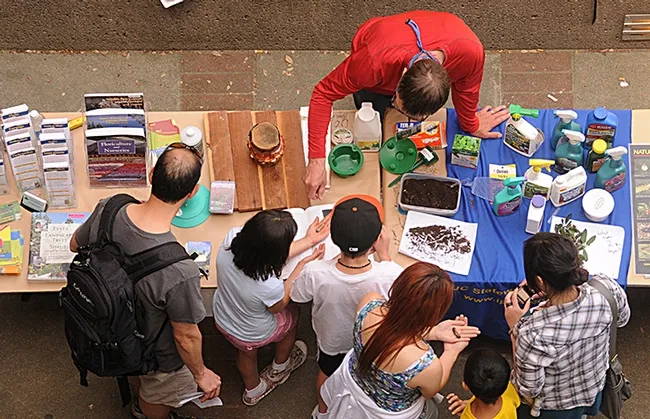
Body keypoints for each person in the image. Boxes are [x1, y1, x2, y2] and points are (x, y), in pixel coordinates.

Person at [70, 143, 221, 419]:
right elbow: (185, 336)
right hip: (153, 351)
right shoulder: (179, 270)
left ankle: (135, 386)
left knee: (133, 368)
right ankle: (145, 412)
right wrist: (201, 374)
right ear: (192, 193)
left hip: (109, 326)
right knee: (157, 394)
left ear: (151, 175)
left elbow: (74, 244)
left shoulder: (110, 208)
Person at [304, 11, 510, 199]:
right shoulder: (372, 63)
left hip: (425, 44)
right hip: (377, 47)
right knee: (371, 107)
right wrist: (316, 160)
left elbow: (467, 90)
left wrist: (471, 124)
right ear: (401, 76)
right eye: (398, 103)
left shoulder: (470, 53)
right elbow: (323, 94)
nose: (410, 120)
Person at [290, 195, 404, 418]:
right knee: (364, 374)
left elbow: (296, 295)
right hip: (370, 341)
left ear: (333, 238)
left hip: (332, 341)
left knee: (326, 372)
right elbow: (399, 295)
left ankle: (323, 411)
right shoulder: (390, 273)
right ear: (375, 242)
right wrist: (385, 255)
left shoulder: (316, 272)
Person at [320, 262, 481, 418]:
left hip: (352, 380)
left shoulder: (369, 303)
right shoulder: (424, 364)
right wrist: (451, 352)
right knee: (432, 412)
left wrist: (434, 332)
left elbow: (393, 327)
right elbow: (431, 391)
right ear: (434, 313)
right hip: (388, 412)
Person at [504, 232, 630, 419]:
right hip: (592, 387)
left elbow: (529, 389)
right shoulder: (605, 288)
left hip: (555, 405)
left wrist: (515, 328)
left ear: (539, 281)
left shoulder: (533, 333)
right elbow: (623, 319)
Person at [212, 209, 329, 406]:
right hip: (254, 332)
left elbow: (261, 250)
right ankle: (280, 367)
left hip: (223, 316)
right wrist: (299, 268)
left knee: (246, 354)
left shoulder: (230, 240)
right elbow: (278, 306)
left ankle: (253, 390)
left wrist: (308, 241)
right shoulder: (268, 285)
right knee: (292, 315)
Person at [446, 348, 520, 418]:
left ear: (465, 385)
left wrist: (467, 409)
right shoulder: (510, 390)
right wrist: (467, 404)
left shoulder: (466, 417)